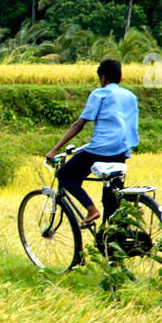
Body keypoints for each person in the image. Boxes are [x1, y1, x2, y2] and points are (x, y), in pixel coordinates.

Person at [45, 58, 139, 226]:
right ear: (120, 78)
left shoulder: (100, 94)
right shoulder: (131, 97)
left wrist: (54, 150)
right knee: (112, 197)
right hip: (122, 151)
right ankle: (111, 240)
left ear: (103, 78)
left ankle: (91, 209)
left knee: (65, 176)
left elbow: (79, 124)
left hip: (100, 150)